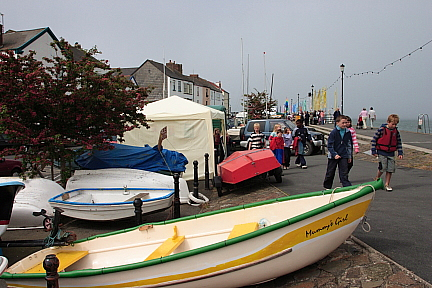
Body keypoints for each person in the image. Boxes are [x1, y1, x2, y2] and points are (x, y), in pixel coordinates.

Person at [371, 114, 403, 192]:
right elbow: (374, 140)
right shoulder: (381, 130)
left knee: (390, 169)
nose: (394, 126)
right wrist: (373, 150)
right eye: (392, 124)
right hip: (382, 151)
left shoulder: (396, 132)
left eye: (395, 124)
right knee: (383, 167)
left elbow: (399, 142)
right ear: (388, 122)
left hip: (391, 152)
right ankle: (377, 178)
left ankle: (387, 184)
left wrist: (400, 152)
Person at [323, 115, 353, 189]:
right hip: (333, 155)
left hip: (344, 154)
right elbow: (329, 145)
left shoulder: (348, 132)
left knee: (344, 173)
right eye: (343, 123)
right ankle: (327, 187)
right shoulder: (334, 132)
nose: (345, 124)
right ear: (337, 123)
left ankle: (347, 187)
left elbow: (349, 145)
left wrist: (349, 156)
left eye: (346, 123)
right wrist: (334, 154)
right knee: (330, 172)